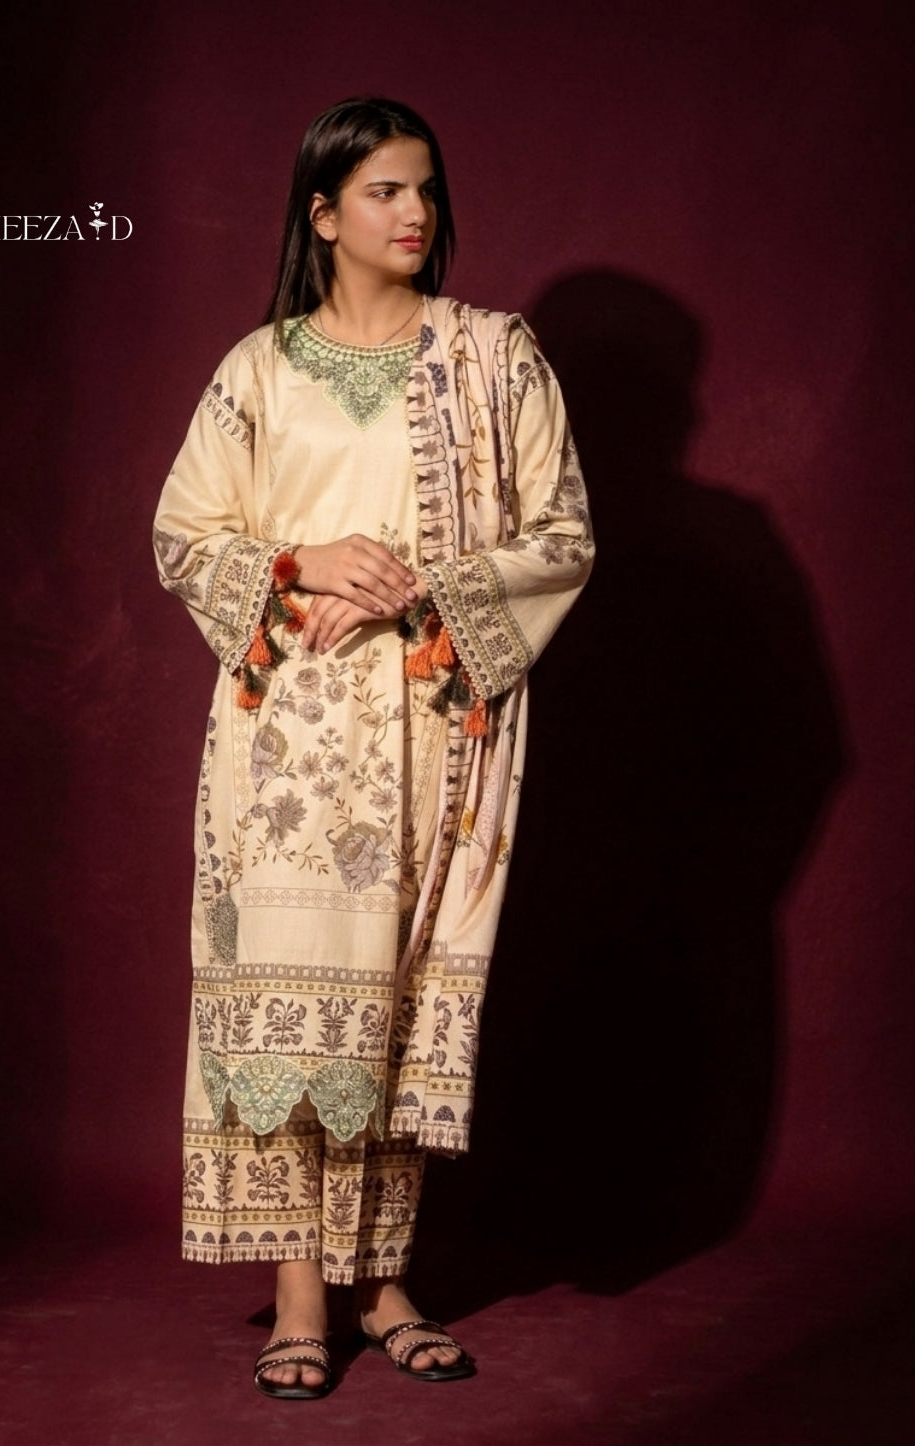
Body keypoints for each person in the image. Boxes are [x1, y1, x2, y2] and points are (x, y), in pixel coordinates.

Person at [153, 96, 594, 1399]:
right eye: (386, 191)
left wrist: (422, 587)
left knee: (391, 1008)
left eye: (427, 189)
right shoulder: (258, 371)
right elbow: (185, 534)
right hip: (284, 746)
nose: (415, 213)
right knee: (293, 1003)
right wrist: (300, 559)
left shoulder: (494, 359)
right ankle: (303, 1293)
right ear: (323, 213)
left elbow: (562, 532)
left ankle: (383, 1279)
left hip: (429, 726)